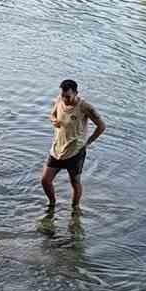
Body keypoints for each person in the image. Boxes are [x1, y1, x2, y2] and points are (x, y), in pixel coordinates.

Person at [41, 78, 105, 211]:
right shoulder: (60, 100)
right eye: (63, 96)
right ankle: (52, 204)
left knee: (75, 182)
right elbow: (52, 115)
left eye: (68, 97)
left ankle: (75, 208)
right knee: (45, 181)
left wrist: (88, 142)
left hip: (75, 152)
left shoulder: (85, 107)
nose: (65, 99)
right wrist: (54, 120)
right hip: (57, 149)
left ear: (76, 93)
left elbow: (101, 126)